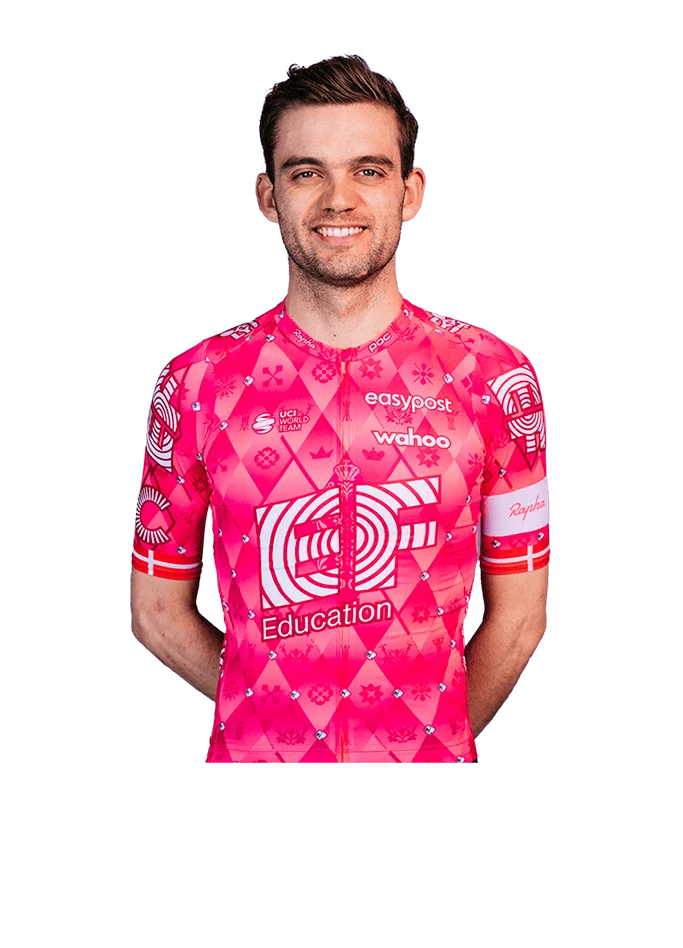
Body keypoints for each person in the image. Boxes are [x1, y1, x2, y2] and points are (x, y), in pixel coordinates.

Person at [129, 53, 551, 765]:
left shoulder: (493, 377)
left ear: (410, 192)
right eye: (306, 173)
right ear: (268, 196)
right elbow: (156, 612)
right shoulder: (198, 382)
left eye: (368, 170)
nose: (338, 199)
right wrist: (263, 714)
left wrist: (430, 748)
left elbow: (519, 618)